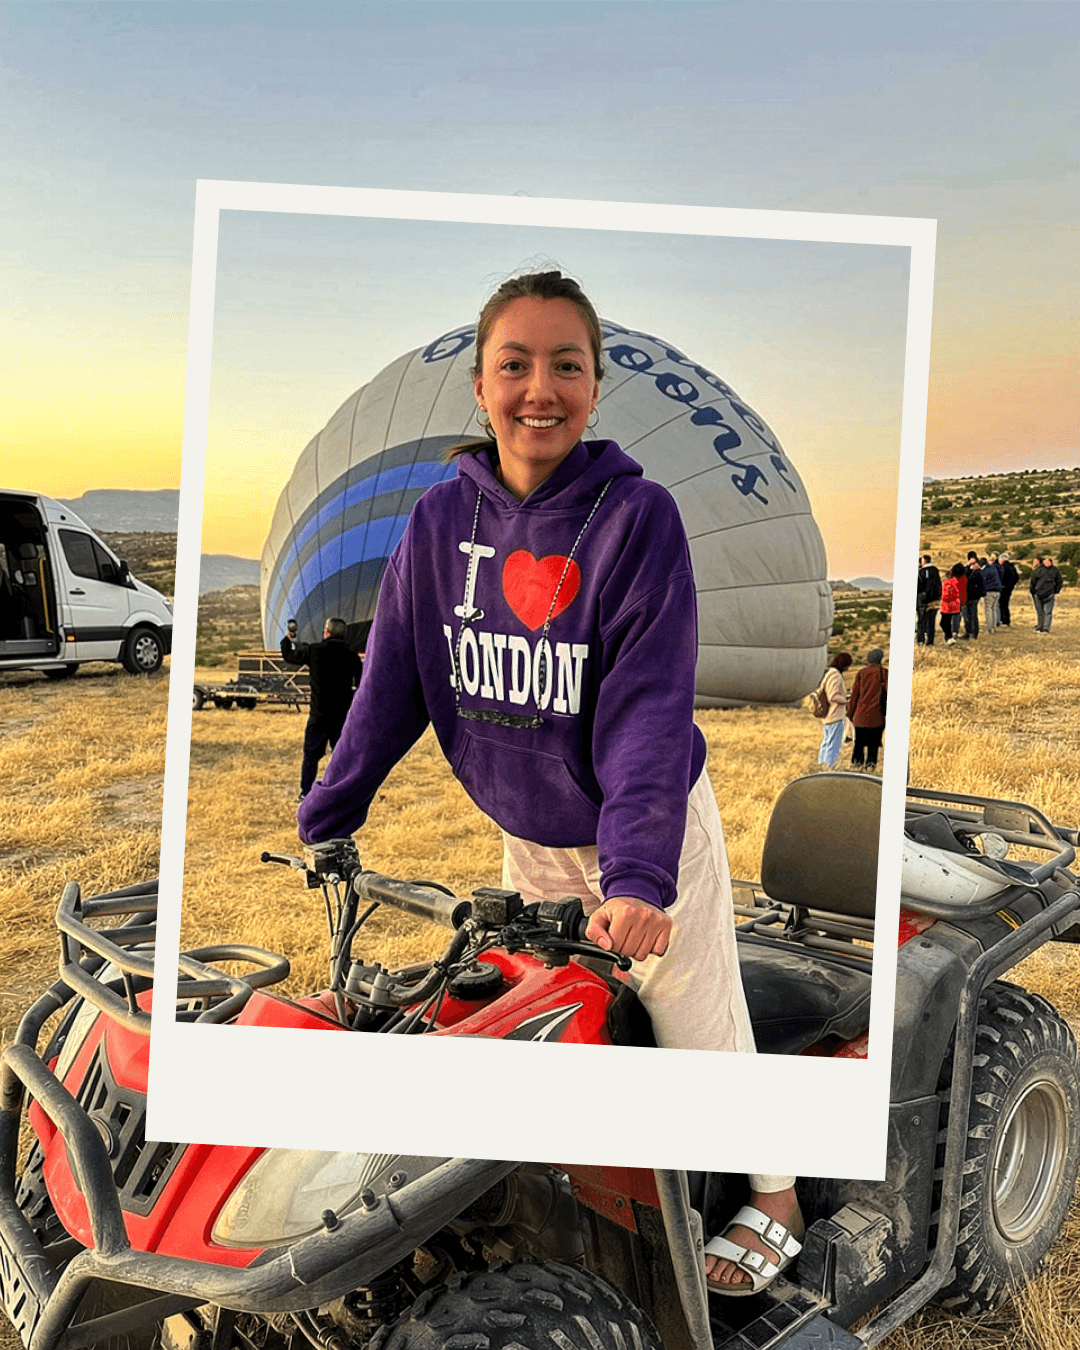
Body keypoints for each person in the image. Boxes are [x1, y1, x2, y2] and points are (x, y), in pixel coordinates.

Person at [295, 270, 800, 1295]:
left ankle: (778, 1195)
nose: (541, 389)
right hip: (531, 835)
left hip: (642, 828)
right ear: (481, 385)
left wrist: (642, 876)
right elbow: (392, 680)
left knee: (696, 1018)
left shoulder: (637, 518)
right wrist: (331, 808)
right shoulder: (439, 521)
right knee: (547, 1008)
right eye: (515, 364)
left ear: (595, 387)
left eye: (567, 365)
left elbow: (649, 710)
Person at [281, 616, 364, 800]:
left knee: (311, 755)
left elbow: (288, 656)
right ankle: (342, 791)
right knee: (342, 755)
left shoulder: (314, 650)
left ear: (326, 632)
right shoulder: (351, 656)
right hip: (342, 716)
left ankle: (306, 793)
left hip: (319, 714)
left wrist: (288, 638)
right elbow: (361, 685)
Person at [847, 649, 887, 772]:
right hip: (877, 715)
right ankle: (870, 765)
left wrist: (850, 713)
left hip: (860, 715)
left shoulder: (861, 673)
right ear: (880, 659)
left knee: (858, 743)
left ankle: (856, 764)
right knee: (873, 744)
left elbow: (854, 696)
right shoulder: (884, 673)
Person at [817, 652, 852, 768]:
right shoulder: (836, 676)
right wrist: (845, 700)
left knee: (827, 742)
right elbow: (833, 696)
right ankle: (829, 767)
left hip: (828, 715)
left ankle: (822, 765)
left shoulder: (829, 674)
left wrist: (845, 693)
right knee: (833, 744)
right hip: (835, 714)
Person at [1030, 554, 1064, 633]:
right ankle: (1041, 627)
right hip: (1041, 593)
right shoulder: (1052, 570)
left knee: (1046, 612)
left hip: (1046, 594)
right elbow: (1033, 582)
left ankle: (1044, 628)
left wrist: (1056, 590)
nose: (1047, 563)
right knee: (1042, 612)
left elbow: (1059, 581)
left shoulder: (1039, 570)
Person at [916, 554, 941, 646]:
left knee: (921, 620)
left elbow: (919, 586)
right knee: (931, 621)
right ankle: (930, 641)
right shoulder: (935, 571)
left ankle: (921, 640)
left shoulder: (922, 572)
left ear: (924, 561)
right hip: (935, 600)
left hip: (923, 600)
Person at [940, 564, 964, 645]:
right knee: (948, 622)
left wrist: (941, 597)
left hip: (947, 605)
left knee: (943, 623)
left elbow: (946, 595)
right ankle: (948, 638)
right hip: (955, 604)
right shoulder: (958, 581)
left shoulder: (947, 583)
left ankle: (949, 637)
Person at [962, 552, 984, 639]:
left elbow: (970, 580)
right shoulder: (972, 570)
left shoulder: (977, 572)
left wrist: (969, 567)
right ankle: (970, 632)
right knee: (969, 615)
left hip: (972, 595)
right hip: (970, 595)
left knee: (972, 614)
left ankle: (972, 632)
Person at [981, 555, 1002, 632]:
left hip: (989, 591)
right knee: (994, 609)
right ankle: (993, 626)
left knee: (988, 609)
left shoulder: (985, 570)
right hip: (997, 590)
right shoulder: (993, 568)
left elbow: (983, 579)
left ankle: (989, 627)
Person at [998, 551, 1019, 626]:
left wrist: (1003, 585)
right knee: (1006, 604)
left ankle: (1003, 620)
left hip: (1003, 588)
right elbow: (1016, 577)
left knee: (1002, 604)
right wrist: (1012, 586)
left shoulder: (1003, 567)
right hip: (1009, 588)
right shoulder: (1012, 567)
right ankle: (1007, 620)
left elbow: (1001, 577)